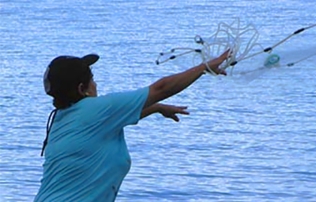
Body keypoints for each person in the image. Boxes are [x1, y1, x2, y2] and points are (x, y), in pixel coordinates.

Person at [34, 50, 230, 202]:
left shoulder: (64, 119)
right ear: (81, 89)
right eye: (91, 80)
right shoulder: (96, 109)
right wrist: (204, 68)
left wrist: (155, 108)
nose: (95, 84)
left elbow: (107, 124)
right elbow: (160, 88)